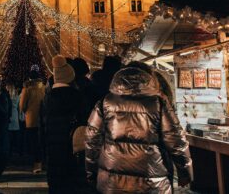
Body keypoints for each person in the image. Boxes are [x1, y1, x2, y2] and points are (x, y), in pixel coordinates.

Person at [85, 65, 193, 193]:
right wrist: (185, 173)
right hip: (151, 182)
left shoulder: (104, 103)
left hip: (112, 182)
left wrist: (91, 173)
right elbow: (176, 140)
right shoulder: (158, 103)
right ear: (148, 78)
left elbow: (92, 141)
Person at [43, 55, 89, 194]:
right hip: (73, 151)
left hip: (52, 152)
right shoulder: (78, 97)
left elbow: (42, 129)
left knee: (56, 185)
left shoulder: (47, 99)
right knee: (72, 184)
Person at [20, 66, 46, 173]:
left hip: (31, 120)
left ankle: (37, 164)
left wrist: (27, 111)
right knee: (41, 141)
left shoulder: (27, 90)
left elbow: (22, 106)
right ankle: (41, 162)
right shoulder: (43, 88)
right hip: (43, 118)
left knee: (34, 142)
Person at [6, 84, 21, 156]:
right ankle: (17, 151)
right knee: (16, 135)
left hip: (9, 115)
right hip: (15, 114)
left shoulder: (7, 98)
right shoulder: (17, 97)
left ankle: (10, 151)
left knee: (9, 135)